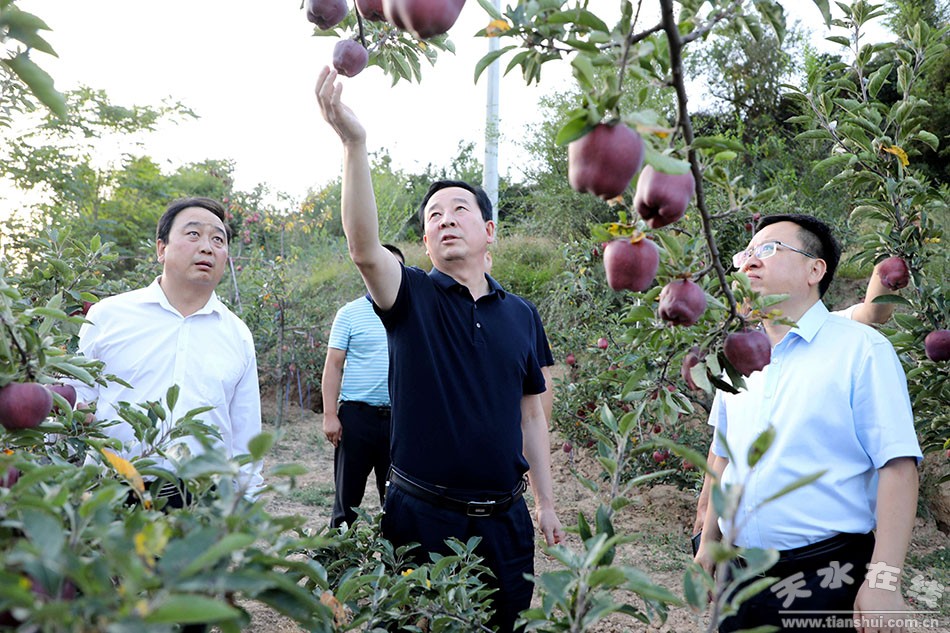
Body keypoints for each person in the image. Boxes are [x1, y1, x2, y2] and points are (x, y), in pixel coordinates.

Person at [314, 67, 564, 633]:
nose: (446, 219)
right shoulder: (411, 297)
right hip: (421, 515)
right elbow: (363, 247)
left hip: (505, 519)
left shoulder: (521, 314)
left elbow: (531, 414)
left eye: (460, 210)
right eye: (434, 216)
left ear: (489, 231)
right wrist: (355, 145)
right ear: (425, 241)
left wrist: (546, 502)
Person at [693, 214, 921, 632]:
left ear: (814, 270)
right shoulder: (736, 356)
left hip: (824, 576)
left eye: (768, 249)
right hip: (737, 574)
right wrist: (708, 540)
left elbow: (897, 467)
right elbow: (724, 454)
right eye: (745, 253)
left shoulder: (861, 350)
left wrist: (884, 581)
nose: (749, 261)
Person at [690, 259, 904, 537]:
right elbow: (723, 446)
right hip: (740, 549)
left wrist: (890, 260)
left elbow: (874, 312)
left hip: (826, 550)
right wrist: (705, 512)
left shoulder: (834, 335)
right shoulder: (735, 356)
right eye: (742, 266)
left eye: (766, 254)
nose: (748, 269)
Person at [75, 196, 264, 505]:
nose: (207, 247)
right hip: (112, 489)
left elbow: (245, 432)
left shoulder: (237, 334)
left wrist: (247, 502)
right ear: (161, 248)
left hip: (202, 499)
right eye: (194, 234)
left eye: (218, 240)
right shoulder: (108, 316)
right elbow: (75, 395)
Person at [322, 243, 405, 528]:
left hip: (399, 421)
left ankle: (394, 556)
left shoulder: (413, 314)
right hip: (357, 418)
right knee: (347, 500)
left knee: (396, 500)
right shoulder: (350, 313)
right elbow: (333, 366)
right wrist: (329, 415)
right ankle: (338, 553)